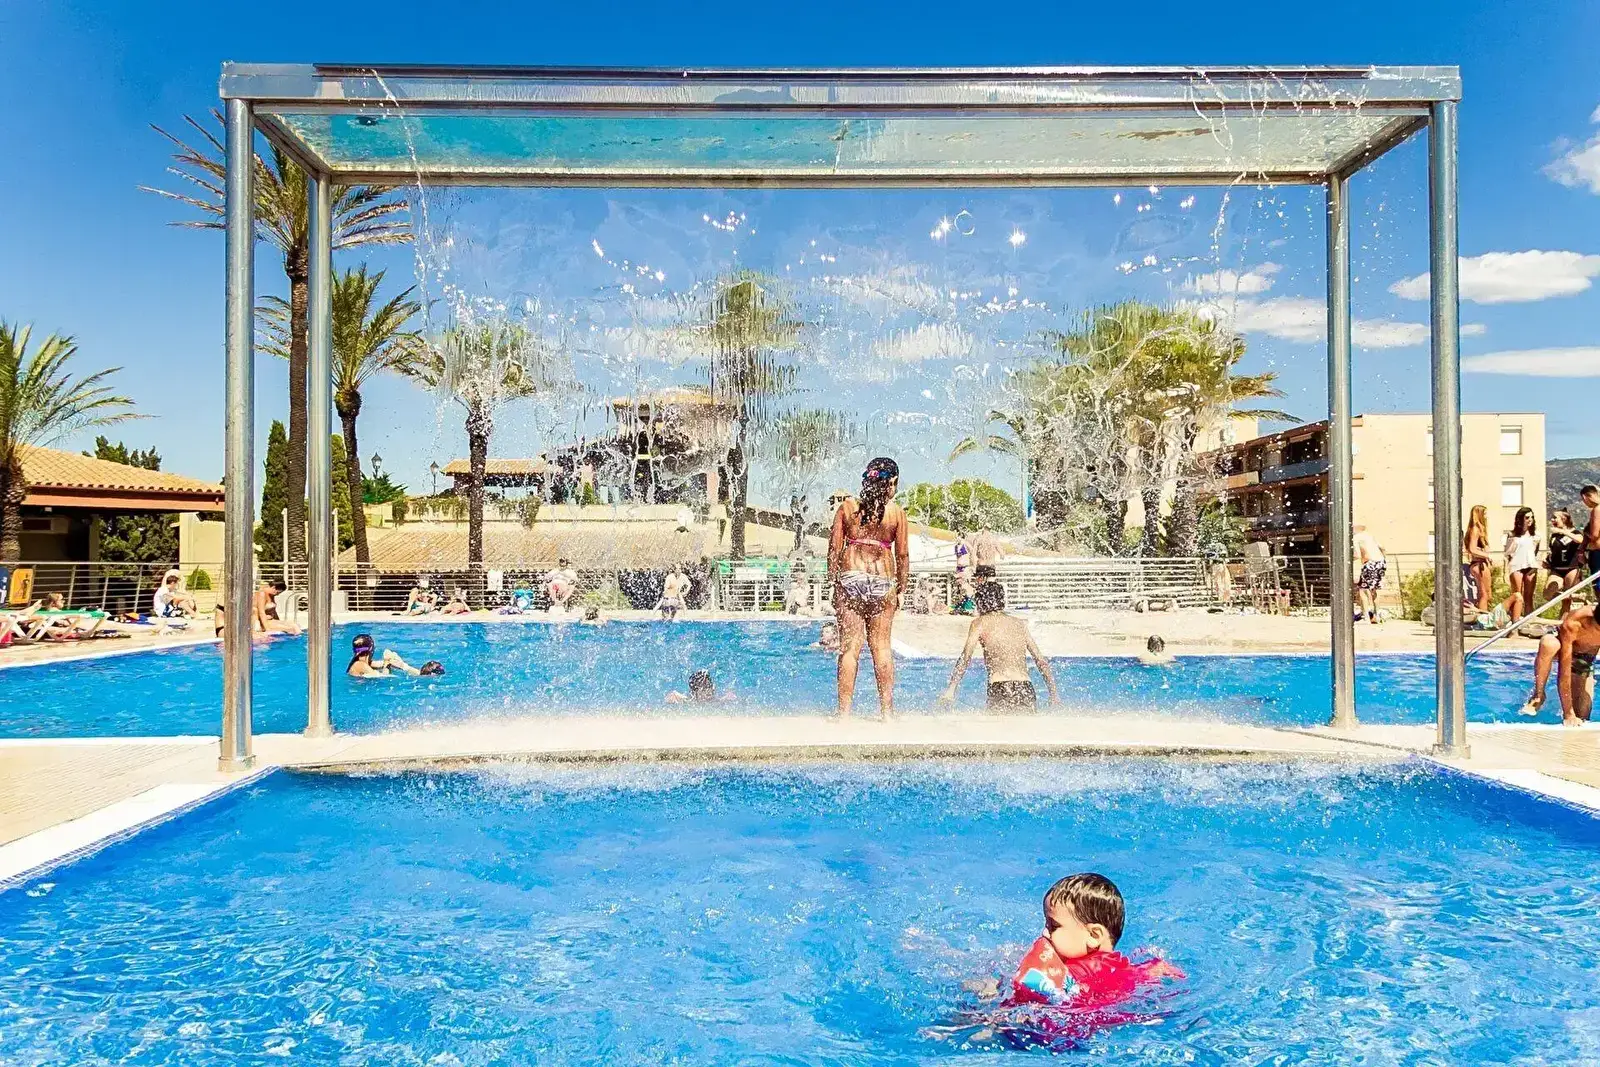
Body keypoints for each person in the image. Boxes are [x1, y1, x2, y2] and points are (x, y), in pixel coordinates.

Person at [1006, 873, 1183, 1011]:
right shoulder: (1112, 965)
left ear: (1093, 936)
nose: (1045, 932)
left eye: (1054, 926)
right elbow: (1134, 974)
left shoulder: (1085, 970)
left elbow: (1032, 981)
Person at [828, 457, 910, 719]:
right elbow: (903, 555)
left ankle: (844, 715)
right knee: (882, 647)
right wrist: (901, 589)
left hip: (851, 577)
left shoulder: (847, 507)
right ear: (892, 482)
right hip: (882, 579)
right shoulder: (897, 513)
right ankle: (886, 714)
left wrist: (833, 582)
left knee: (850, 648)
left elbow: (834, 549)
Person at [939, 582, 1059, 712]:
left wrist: (951, 689)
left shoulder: (979, 623)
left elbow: (965, 657)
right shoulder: (1019, 624)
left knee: (996, 725)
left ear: (981, 602)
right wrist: (1053, 694)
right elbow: (1041, 661)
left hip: (1000, 686)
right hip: (1025, 688)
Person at [1520, 604, 1600, 725]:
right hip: (1561, 644)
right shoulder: (1575, 621)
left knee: (1583, 717)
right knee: (1549, 644)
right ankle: (1538, 695)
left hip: (1585, 658)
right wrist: (1568, 713)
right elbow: (1564, 671)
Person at [1501, 506, 1540, 624]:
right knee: (1517, 595)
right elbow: (1507, 553)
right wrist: (1506, 570)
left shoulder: (1536, 535)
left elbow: (1535, 551)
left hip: (1531, 566)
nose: (1530, 520)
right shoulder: (1512, 535)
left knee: (1529, 596)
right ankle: (1515, 621)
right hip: (1516, 566)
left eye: (1532, 517)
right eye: (1527, 517)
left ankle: (1529, 621)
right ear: (1521, 518)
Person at [1545, 509, 1585, 614]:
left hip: (1571, 568)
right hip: (1557, 569)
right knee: (1547, 594)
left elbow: (1580, 540)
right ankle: (1575, 596)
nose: (1552, 520)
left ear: (1564, 519)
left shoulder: (1575, 532)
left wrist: (1563, 532)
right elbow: (1553, 550)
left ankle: (1563, 621)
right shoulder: (1554, 535)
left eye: (1555, 518)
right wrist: (1548, 560)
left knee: (1566, 602)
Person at [346, 632, 431, 677]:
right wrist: (387, 665)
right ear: (371, 649)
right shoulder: (360, 665)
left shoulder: (363, 663)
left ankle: (421, 674)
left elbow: (384, 663)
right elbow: (384, 677)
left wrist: (395, 662)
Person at [1463, 505, 1494, 613]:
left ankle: (1482, 613)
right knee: (1484, 594)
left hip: (1480, 563)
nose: (1486, 516)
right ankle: (1482, 617)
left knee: (1487, 593)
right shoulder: (1475, 530)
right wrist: (1486, 555)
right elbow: (1472, 549)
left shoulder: (1478, 530)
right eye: (1484, 514)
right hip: (1478, 564)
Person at [1352, 526, 1386, 624]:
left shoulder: (1356, 538)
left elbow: (1357, 555)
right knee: (1375, 590)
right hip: (1380, 562)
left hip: (1369, 563)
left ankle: (1366, 617)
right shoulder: (1369, 536)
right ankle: (1377, 615)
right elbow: (1382, 548)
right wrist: (1383, 560)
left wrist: (1347, 559)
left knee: (1363, 590)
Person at [666, 668, 732, 704]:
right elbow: (673, 695)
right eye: (706, 687)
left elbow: (726, 698)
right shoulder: (690, 701)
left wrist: (728, 696)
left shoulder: (715, 701)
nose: (712, 689)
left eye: (710, 686)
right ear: (695, 691)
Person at [1584, 485, 1600, 578]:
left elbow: (1594, 535)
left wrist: (1586, 533)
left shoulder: (1597, 510)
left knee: (1597, 582)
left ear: (1585, 497)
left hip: (1597, 551)